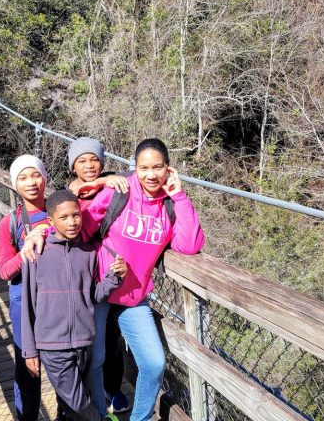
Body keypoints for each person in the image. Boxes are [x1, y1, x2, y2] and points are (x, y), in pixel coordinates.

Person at [24, 138, 206, 421]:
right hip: (97, 291)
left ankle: (140, 417)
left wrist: (180, 196)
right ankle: (100, 414)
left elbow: (190, 245)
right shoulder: (119, 190)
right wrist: (42, 232)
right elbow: (76, 222)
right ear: (135, 167)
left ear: (168, 169)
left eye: (157, 167)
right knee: (95, 362)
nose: (151, 174)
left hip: (134, 298)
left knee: (154, 363)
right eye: (144, 167)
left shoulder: (169, 204)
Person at [21, 189, 125, 421]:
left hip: (84, 340)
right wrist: (29, 350)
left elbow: (94, 295)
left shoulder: (88, 252)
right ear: (50, 221)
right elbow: (27, 305)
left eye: (76, 215)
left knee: (70, 405)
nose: (72, 222)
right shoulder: (36, 253)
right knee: (78, 402)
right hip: (52, 343)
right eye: (64, 217)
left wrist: (113, 277)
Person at [67, 137, 130, 415]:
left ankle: (112, 389)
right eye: (82, 160)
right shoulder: (71, 193)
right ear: (73, 166)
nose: (89, 165)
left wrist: (108, 180)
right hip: (84, 276)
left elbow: (136, 179)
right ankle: (92, 393)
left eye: (94, 159)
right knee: (93, 338)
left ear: (103, 162)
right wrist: (100, 183)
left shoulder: (117, 183)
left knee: (113, 335)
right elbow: (66, 200)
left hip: (115, 272)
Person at [0, 155, 52, 421]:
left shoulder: (63, 211)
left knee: (66, 365)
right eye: (23, 177)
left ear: (45, 177)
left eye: (36, 175)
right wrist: (26, 250)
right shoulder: (10, 222)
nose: (31, 183)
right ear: (15, 184)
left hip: (57, 301)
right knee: (28, 368)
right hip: (24, 305)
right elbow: (5, 271)